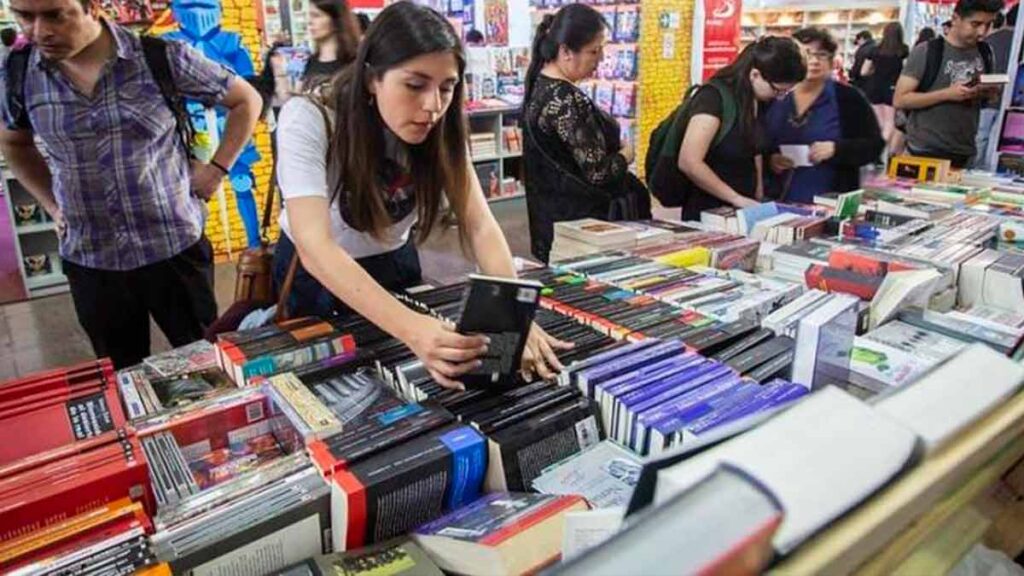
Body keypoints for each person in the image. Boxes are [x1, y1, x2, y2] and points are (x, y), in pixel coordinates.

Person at [273, 2, 571, 387]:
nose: (432, 106)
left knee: (406, 387)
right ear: (371, 79)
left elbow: (479, 223)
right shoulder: (310, 117)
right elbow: (316, 246)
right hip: (316, 278)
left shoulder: (443, 128)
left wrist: (513, 316)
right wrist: (414, 329)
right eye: (414, 85)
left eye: (447, 87)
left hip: (394, 262)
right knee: (331, 389)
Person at [0, 0, 263, 368]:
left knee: (204, 362)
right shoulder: (18, 73)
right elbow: (15, 143)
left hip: (173, 247)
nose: (39, 31)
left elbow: (246, 100)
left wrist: (217, 169)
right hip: (92, 256)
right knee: (120, 372)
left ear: (92, 7)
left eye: (55, 15)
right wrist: (52, 205)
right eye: (24, 16)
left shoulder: (160, 57)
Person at [521, 4, 649, 263]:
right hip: (583, 227)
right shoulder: (565, 98)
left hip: (552, 220)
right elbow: (598, 172)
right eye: (594, 51)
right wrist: (626, 154)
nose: (600, 59)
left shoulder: (541, 85)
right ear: (566, 51)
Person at [649, 36, 805, 220]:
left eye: (786, 92)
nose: (780, 97)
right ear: (754, 75)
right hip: (708, 210)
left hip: (744, 209)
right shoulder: (713, 98)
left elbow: (754, 148)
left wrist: (757, 193)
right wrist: (736, 198)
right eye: (777, 90)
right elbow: (689, 162)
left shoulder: (758, 100)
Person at [764, 28, 883, 203]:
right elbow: (757, 145)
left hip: (830, 202)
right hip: (776, 199)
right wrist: (771, 159)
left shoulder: (848, 98)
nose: (814, 61)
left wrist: (837, 149)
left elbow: (873, 146)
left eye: (822, 55)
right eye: (806, 53)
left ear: (831, 60)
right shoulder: (773, 94)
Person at [894, 0, 1004, 168]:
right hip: (924, 151)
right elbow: (900, 99)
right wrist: (947, 94)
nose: (982, 32)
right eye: (975, 24)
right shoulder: (927, 51)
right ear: (955, 18)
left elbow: (985, 101)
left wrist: (987, 93)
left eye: (988, 25)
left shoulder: (985, 52)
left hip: (965, 151)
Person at [975, 5, 1015, 169]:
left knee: (981, 136)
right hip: (1011, 99)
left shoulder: (990, 40)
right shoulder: (1019, 42)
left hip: (986, 96)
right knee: (998, 140)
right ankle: (991, 170)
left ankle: (974, 170)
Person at [862, 22, 909, 150]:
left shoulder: (874, 50)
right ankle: (881, 151)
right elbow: (906, 71)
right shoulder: (903, 50)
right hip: (891, 89)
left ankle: (875, 150)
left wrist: (875, 70)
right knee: (889, 123)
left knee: (879, 123)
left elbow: (864, 71)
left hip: (874, 87)